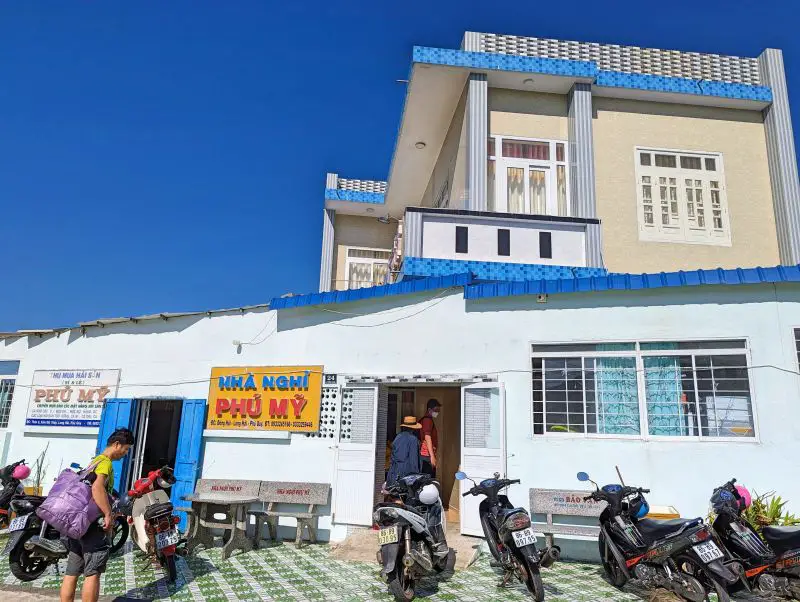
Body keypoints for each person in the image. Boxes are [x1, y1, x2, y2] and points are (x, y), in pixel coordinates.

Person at [60, 428, 135, 602]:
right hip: (93, 524)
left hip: (78, 524)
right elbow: (97, 487)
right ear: (117, 445)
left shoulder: (94, 461)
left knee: (72, 571)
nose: (125, 454)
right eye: (126, 449)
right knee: (93, 572)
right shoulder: (105, 463)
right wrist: (108, 514)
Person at [386, 417, 422, 485]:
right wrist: (416, 476)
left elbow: (393, 456)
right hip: (406, 473)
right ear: (413, 428)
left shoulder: (398, 437)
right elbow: (413, 460)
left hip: (394, 472)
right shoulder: (413, 439)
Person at [419, 399, 441, 478]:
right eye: (436, 410)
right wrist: (432, 456)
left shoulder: (427, 420)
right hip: (426, 455)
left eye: (438, 410)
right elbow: (427, 437)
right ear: (429, 410)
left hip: (426, 455)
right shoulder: (427, 420)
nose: (437, 412)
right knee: (428, 479)